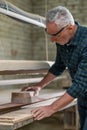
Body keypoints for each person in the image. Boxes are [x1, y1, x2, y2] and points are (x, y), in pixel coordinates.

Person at [22, 6, 87, 130]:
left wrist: (51, 108)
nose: (52, 40)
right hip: (83, 97)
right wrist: (39, 85)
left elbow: (81, 84)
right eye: (49, 34)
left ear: (69, 27)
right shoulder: (62, 41)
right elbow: (58, 66)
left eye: (55, 35)